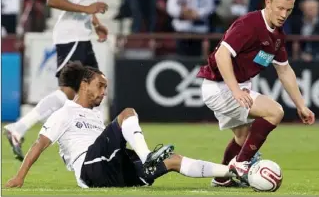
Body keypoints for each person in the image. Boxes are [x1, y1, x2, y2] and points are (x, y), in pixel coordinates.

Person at [5, 62, 236, 188]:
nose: (104, 92)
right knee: (127, 113)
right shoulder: (64, 113)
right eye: (100, 86)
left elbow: (112, 146)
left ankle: (232, 172)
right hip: (90, 169)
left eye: (105, 87)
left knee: (173, 160)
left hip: (112, 171)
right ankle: (147, 157)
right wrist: (19, 177)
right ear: (84, 85)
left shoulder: (96, 117)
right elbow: (39, 144)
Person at [196, 0, 315, 187]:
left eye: (289, 9)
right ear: (267, 2)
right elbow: (222, 55)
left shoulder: (277, 35)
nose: (283, 14)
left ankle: (222, 178)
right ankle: (242, 165)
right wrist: (235, 90)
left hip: (234, 87)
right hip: (220, 87)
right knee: (275, 112)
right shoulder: (249, 24)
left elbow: (284, 70)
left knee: (243, 138)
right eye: (280, 8)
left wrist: (301, 105)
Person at [4, 0, 109, 161]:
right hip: (70, 37)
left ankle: (84, 138)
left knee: (95, 85)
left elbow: (85, 3)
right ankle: (19, 127)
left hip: (82, 37)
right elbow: (52, 0)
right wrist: (87, 10)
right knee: (69, 90)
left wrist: (96, 23)